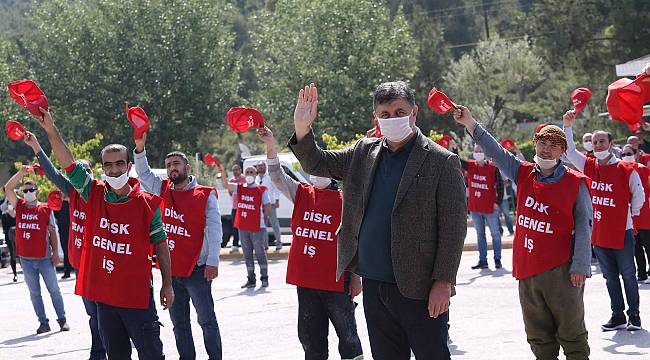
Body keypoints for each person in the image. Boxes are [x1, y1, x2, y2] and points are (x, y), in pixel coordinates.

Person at [289, 82, 466, 359]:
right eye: (384, 114)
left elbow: (454, 229)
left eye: (399, 111)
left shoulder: (441, 161)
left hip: (420, 288)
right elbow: (318, 164)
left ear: (414, 113)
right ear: (376, 118)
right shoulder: (363, 152)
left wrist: (443, 282)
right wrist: (302, 127)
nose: (392, 119)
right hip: (375, 284)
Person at [454, 105, 592, 360]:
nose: (546, 149)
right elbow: (495, 151)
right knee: (538, 338)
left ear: (563, 151)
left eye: (553, 145)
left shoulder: (575, 182)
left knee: (572, 336)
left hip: (561, 270)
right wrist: (470, 124)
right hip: (527, 269)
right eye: (542, 143)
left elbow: (585, 225)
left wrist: (581, 265)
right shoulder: (523, 172)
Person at [37, 107, 173, 359]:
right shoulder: (94, 194)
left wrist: (167, 284)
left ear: (129, 165)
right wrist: (50, 129)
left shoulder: (147, 204)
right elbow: (68, 164)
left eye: (119, 163)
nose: (114, 170)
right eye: (108, 165)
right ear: (102, 168)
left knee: (152, 354)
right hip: (105, 300)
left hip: (137, 298)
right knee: (116, 355)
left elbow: (162, 246)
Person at [259, 125, 364, 360]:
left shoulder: (345, 199)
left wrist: (356, 277)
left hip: (336, 282)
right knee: (310, 339)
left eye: (322, 168)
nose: (317, 173)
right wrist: (270, 146)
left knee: (348, 338)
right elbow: (276, 177)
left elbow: (355, 239)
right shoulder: (302, 193)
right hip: (306, 281)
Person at [134, 132, 223, 360]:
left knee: (207, 321)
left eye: (176, 163)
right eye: (168, 165)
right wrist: (140, 148)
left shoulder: (204, 194)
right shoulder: (162, 188)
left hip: (198, 270)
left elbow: (214, 231)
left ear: (187, 167)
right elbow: (143, 173)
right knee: (179, 324)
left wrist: (213, 261)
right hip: (171, 273)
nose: (172, 168)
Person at [22, 131, 106, 359]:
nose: (82, 174)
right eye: (78, 170)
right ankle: (99, 351)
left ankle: (106, 350)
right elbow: (53, 172)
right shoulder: (71, 191)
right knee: (93, 314)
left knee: (105, 313)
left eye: (86, 170)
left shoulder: (100, 193)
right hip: (83, 265)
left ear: (93, 174)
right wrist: (37, 148)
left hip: (102, 264)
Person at [563, 110, 645, 331]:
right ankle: (617, 315)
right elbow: (569, 151)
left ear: (610, 144)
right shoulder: (589, 165)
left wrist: (628, 216)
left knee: (628, 275)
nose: (598, 145)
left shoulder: (626, 169)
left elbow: (639, 198)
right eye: (595, 142)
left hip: (623, 232)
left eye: (602, 141)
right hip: (598, 234)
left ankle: (634, 316)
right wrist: (567, 126)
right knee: (610, 278)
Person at [4, 167, 70, 334]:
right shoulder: (19, 205)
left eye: (31, 190)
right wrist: (21, 174)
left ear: (37, 191)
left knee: (54, 290)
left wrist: (55, 254)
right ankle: (43, 322)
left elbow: (53, 233)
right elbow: (8, 188)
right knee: (35, 293)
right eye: (25, 190)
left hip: (44, 258)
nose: (28, 192)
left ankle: (62, 320)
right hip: (26, 259)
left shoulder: (45, 209)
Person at [223, 166, 273, 288]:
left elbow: (267, 206)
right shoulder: (240, 188)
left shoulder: (261, 189)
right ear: (244, 175)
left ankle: (264, 278)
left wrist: (264, 219)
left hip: (257, 227)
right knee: (247, 254)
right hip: (243, 227)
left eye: (252, 172)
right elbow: (226, 185)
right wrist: (222, 171)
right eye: (247, 172)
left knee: (260, 253)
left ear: (255, 174)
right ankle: (251, 279)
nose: (249, 174)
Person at [461, 144, 504, 269]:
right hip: (475, 208)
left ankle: (497, 260)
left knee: (495, 234)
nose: (478, 152)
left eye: (480, 150)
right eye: (476, 150)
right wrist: (453, 149)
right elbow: (457, 159)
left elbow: (500, 184)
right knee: (480, 235)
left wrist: (498, 202)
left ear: (485, 152)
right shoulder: (470, 166)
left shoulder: (492, 167)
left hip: (490, 208)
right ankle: (483, 261)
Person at [620, 144, 650, 284]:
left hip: (645, 216)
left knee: (648, 247)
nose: (626, 156)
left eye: (629, 153)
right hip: (630, 218)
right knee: (636, 248)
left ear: (636, 154)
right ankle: (642, 274)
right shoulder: (621, 170)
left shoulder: (643, 170)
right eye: (623, 154)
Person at [256, 160, 283, 250]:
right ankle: (265, 245)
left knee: (274, 224)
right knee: (263, 225)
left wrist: (277, 200)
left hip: (270, 204)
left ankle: (279, 243)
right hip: (260, 206)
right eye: (259, 166)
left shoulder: (270, 177)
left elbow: (276, 188)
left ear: (265, 167)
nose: (260, 167)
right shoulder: (256, 179)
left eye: (262, 166)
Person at [219, 164, 246, 251]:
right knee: (235, 226)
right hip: (235, 207)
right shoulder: (232, 180)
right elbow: (229, 191)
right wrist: (222, 172)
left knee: (245, 226)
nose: (235, 171)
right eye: (233, 170)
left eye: (236, 169)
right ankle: (235, 244)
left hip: (245, 206)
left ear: (240, 170)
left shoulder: (244, 179)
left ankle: (246, 244)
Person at [1, 188, 18, 282]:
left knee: (21, 255)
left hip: (19, 236)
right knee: (13, 254)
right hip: (10, 237)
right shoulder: (5, 215)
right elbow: (4, 229)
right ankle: (15, 274)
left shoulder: (17, 214)